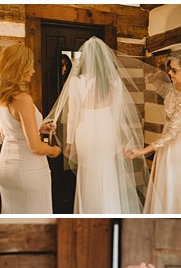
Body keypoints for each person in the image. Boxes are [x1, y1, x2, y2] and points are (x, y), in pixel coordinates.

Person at [44, 37, 147, 214]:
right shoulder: (114, 82)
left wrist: (69, 143)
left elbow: (73, 114)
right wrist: (115, 137)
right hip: (107, 133)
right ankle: (109, 211)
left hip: (86, 134)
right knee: (107, 174)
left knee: (88, 176)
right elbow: (117, 115)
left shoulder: (78, 81)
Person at [125, 49, 181, 213]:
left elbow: (172, 133)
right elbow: (167, 93)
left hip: (180, 147)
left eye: (174, 70)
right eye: (170, 69)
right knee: (166, 186)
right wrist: (154, 81)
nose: (170, 73)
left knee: (176, 186)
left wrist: (143, 151)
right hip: (168, 144)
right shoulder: (178, 84)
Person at [0, 44, 61, 213]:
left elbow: (9, 133)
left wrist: (39, 128)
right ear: (19, 67)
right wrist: (54, 150)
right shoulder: (23, 99)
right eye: (30, 66)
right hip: (29, 169)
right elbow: (35, 147)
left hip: (6, 169)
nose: (33, 71)